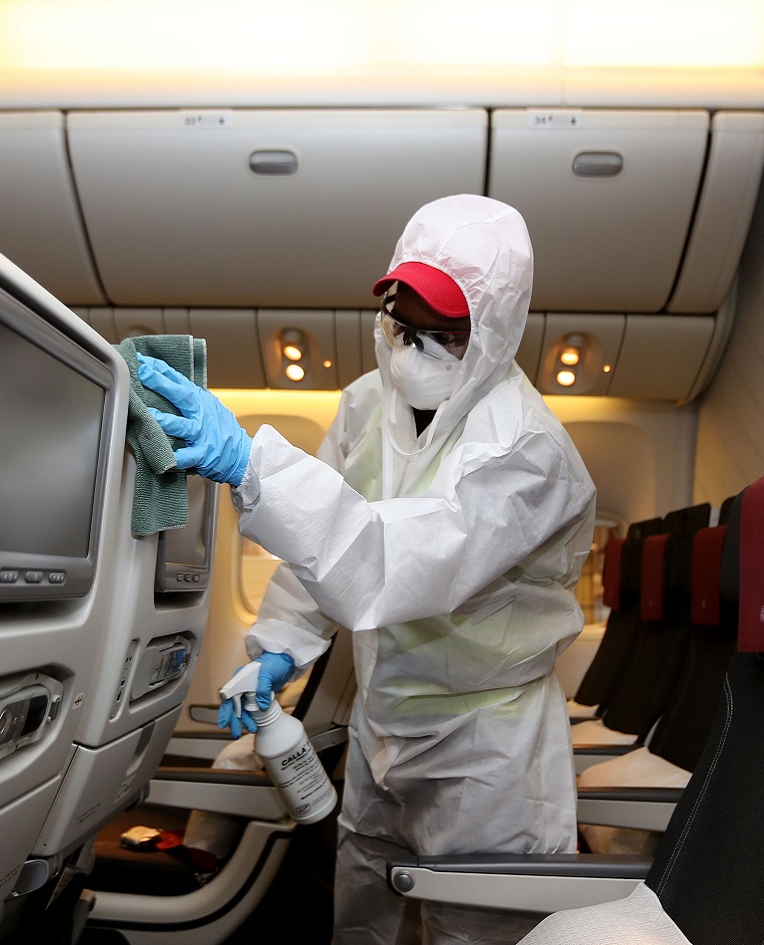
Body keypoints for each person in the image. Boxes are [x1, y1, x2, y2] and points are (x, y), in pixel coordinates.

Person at [137, 194, 595, 945]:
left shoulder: (528, 452)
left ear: (494, 331)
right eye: (399, 325)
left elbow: (390, 558)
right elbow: (324, 545)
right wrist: (279, 646)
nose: (411, 350)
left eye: (441, 335)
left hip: (486, 742)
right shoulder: (364, 404)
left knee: (476, 929)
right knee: (363, 911)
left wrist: (252, 464)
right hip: (384, 724)